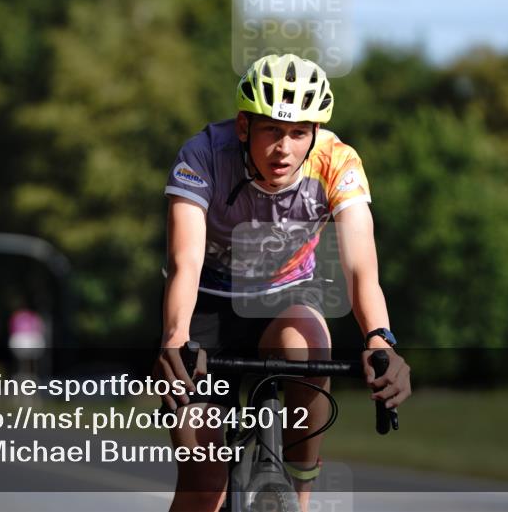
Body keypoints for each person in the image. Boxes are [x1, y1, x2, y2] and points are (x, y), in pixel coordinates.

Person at [153, 54, 412, 512]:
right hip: (207, 302)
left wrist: (380, 338)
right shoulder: (203, 155)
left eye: (298, 133)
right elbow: (185, 260)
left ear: (314, 132)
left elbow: (360, 267)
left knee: (309, 345)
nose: (284, 149)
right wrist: (175, 337)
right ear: (243, 127)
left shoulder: (337, 161)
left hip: (285, 298)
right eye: (271, 130)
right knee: (205, 483)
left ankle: (299, 497)